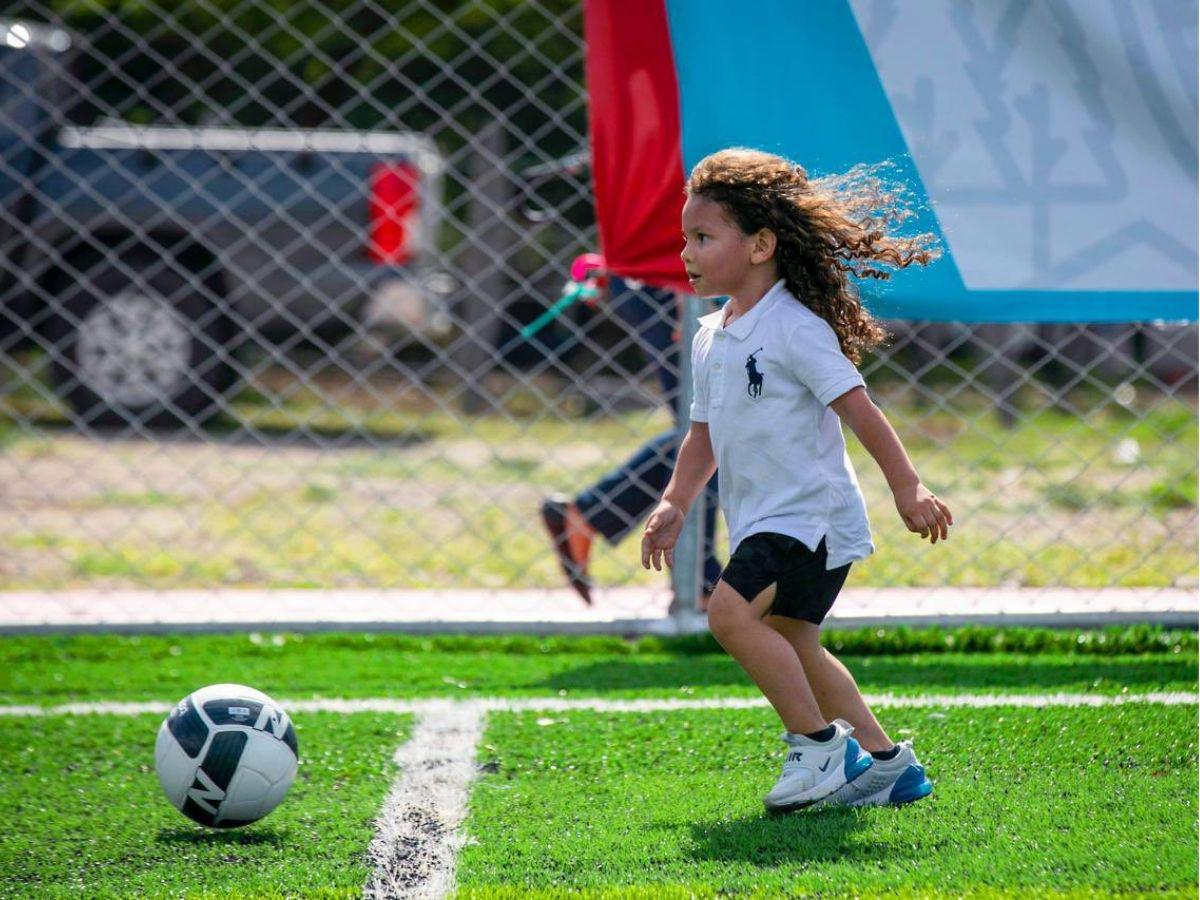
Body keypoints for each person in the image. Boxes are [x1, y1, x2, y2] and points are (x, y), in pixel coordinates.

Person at [640, 148, 953, 812]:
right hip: (767, 520)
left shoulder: (795, 328)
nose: (687, 253)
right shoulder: (711, 335)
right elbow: (702, 432)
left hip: (809, 519)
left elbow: (860, 410)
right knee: (792, 641)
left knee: (728, 615)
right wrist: (674, 501)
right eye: (684, 239)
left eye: (703, 237)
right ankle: (886, 763)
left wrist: (908, 487)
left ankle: (817, 747)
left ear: (761, 244)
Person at [540, 274, 722, 606]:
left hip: (664, 280)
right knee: (712, 425)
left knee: (713, 426)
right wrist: (684, 294)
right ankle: (699, 583)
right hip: (671, 282)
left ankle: (589, 513)